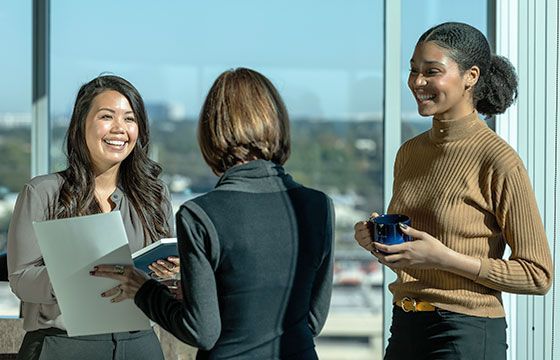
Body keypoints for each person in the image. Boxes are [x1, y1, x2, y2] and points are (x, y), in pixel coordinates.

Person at [91, 67, 335, 359]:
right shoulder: (319, 206)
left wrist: (143, 289)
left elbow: (202, 332)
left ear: (212, 129)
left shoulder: (200, 214)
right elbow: (313, 321)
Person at [354, 22, 553, 359]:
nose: (417, 82)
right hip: (405, 326)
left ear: (470, 77)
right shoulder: (410, 153)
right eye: (413, 70)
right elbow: (418, 259)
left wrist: (445, 258)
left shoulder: (498, 160)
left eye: (432, 71)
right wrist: (377, 246)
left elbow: (538, 275)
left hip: (465, 333)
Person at [7, 75, 178, 360]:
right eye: (107, 116)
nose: (119, 129)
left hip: (140, 344)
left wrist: (171, 273)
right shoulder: (43, 192)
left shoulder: (154, 195)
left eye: (130, 119)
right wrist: (75, 277)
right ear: (80, 125)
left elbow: (165, 279)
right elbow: (20, 279)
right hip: (63, 345)